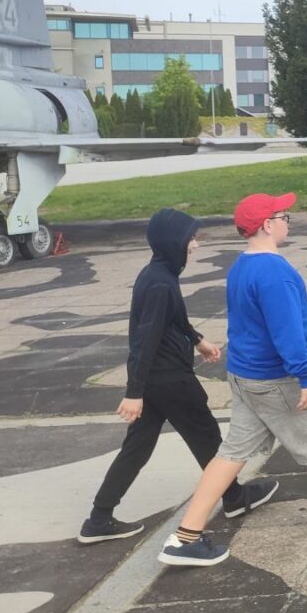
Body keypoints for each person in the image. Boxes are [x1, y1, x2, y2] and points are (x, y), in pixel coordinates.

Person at [158, 193, 307, 567]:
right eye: (284, 216)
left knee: (232, 452)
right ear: (267, 224)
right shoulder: (275, 273)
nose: (287, 221)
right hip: (278, 376)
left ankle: (185, 537)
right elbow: (288, 333)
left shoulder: (242, 265)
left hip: (245, 374)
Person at [79, 209, 278, 543]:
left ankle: (98, 519)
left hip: (157, 380)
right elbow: (145, 339)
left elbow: (172, 318)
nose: (195, 245)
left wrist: (197, 340)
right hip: (169, 379)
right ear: (173, 242)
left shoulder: (158, 274)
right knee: (207, 436)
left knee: (138, 448)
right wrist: (133, 392)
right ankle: (233, 497)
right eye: (191, 239)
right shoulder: (160, 283)